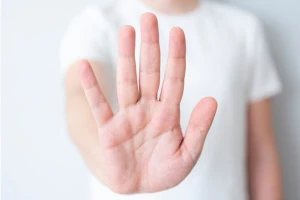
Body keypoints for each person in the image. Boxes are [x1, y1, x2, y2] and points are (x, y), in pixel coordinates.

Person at [60, 0, 283, 199]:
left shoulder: (243, 28)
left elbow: (261, 148)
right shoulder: (96, 23)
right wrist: (105, 163)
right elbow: (80, 100)